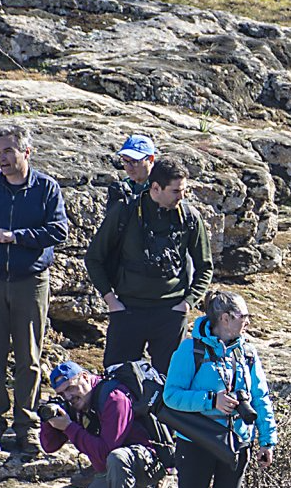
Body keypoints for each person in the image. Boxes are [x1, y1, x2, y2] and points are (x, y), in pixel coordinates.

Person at [149, 290, 276, 488]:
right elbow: (171, 396)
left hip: (237, 442)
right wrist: (211, 400)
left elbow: (261, 397)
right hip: (196, 442)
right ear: (224, 318)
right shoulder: (189, 351)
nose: (247, 321)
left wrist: (267, 440)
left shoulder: (247, 351)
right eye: (243, 316)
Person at [0, 124, 70, 457]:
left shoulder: (46, 188)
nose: (2, 158)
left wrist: (17, 236)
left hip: (30, 282)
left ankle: (27, 426)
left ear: (26, 152)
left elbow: (59, 231)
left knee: (30, 358)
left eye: (8, 151)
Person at [86, 159, 214, 376]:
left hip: (171, 314)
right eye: (175, 191)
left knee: (171, 382)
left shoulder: (190, 217)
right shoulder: (125, 212)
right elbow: (94, 258)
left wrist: (187, 304)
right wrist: (111, 301)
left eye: (183, 190)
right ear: (156, 188)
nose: (181, 197)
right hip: (127, 310)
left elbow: (205, 266)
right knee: (118, 380)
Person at [37, 361, 160, 488]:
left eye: (70, 387)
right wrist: (49, 419)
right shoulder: (75, 404)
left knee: (117, 458)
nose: (69, 396)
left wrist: (70, 427)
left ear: (85, 377)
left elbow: (105, 454)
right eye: (62, 393)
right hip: (113, 469)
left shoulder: (113, 397)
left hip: (148, 461)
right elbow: (49, 446)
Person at [106, 134, 156, 211]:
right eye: (125, 161)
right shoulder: (124, 186)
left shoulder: (163, 187)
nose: (129, 168)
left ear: (151, 159)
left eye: (135, 161)